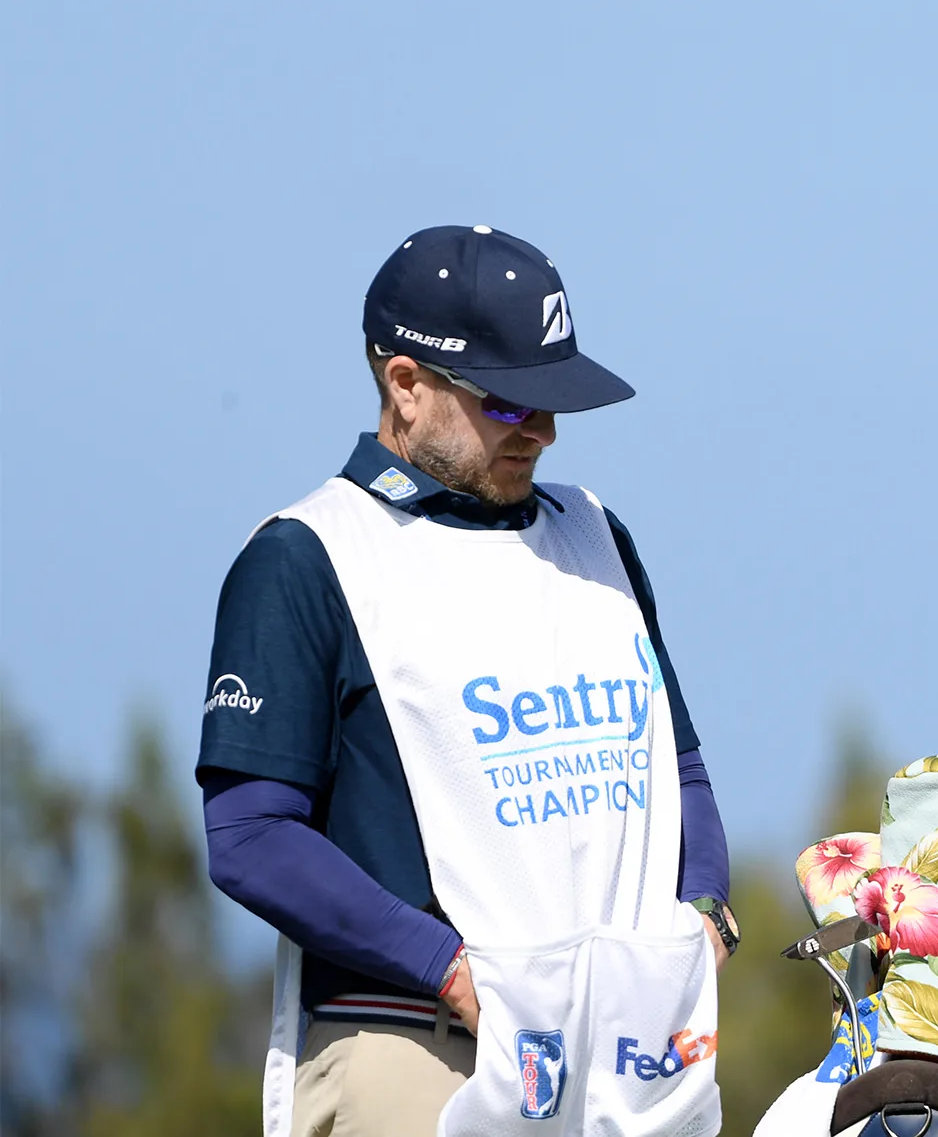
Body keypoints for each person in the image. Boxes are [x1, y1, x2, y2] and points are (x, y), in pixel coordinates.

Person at [199, 226, 737, 1137]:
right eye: (508, 401)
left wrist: (707, 921)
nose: (543, 428)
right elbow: (249, 835)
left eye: (552, 400)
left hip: (621, 1059)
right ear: (405, 385)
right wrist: (449, 969)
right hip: (419, 1043)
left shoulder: (596, 531)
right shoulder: (304, 555)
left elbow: (673, 768)